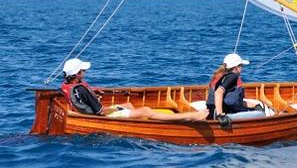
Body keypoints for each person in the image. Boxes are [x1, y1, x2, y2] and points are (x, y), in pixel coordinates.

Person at [61, 58, 208, 121]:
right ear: (77, 74)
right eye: (83, 71)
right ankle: (191, 116)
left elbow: (82, 97)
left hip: (94, 113)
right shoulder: (81, 90)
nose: (85, 72)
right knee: (146, 110)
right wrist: (117, 107)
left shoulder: (70, 86)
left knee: (129, 105)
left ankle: (145, 121)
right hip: (101, 116)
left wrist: (94, 91)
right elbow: (100, 111)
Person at [206, 53, 264, 127]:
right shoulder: (233, 77)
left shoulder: (221, 76)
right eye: (241, 66)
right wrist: (220, 115)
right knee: (261, 114)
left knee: (254, 109)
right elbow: (218, 92)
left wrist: (255, 105)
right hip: (221, 117)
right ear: (236, 67)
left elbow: (233, 101)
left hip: (211, 114)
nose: (242, 68)